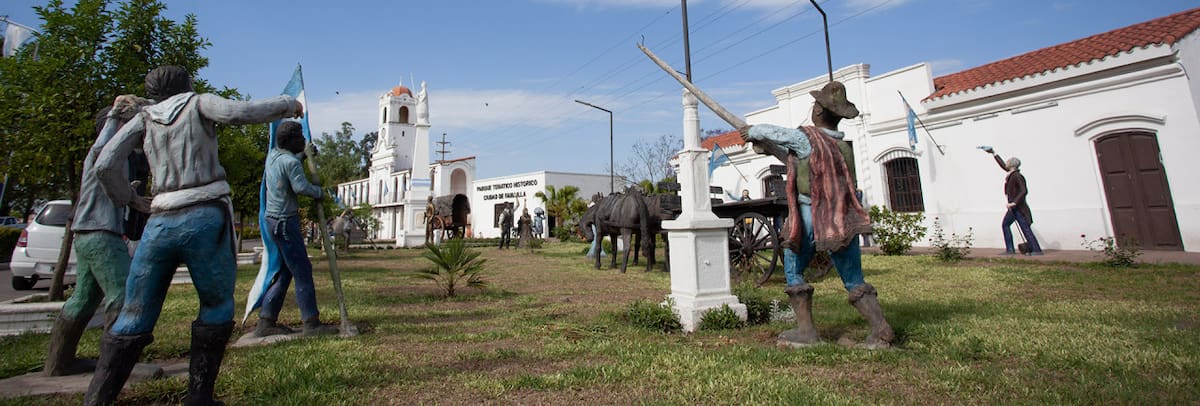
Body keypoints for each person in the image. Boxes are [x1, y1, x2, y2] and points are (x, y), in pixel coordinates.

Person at [86, 65, 304, 405]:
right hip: (205, 216)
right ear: (187, 84)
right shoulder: (199, 103)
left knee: (134, 313)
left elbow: (103, 164)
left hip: (159, 221)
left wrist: (130, 200)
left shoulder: (144, 118)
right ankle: (199, 397)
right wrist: (289, 104)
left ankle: (97, 399)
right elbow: (241, 112)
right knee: (216, 307)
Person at [740, 80, 894, 349]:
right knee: (853, 278)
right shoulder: (843, 147)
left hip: (811, 215)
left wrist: (752, 130)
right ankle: (880, 328)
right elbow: (808, 165)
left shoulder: (806, 138)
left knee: (794, 266)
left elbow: (777, 133)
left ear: (820, 111)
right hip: (842, 220)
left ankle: (806, 331)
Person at [43, 96, 153, 377]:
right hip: (101, 233)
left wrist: (132, 195)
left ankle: (59, 362)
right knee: (125, 294)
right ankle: (114, 368)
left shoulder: (119, 160)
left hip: (90, 233)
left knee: (83, 299)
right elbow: (104, 150)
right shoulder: (103, 151)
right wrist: (117, 115)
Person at [255, 121, 339, 338]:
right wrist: (318, 192)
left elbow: (288, 164)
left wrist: (303, 155)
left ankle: (266, 320)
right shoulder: (291, 163)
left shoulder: (273, 156)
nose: (303, 140)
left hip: (272, 220)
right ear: (291, 140)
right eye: (300, 137)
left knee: (285, 271)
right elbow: (300, 187)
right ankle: (311, 322)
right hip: (285, 222)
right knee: (302, 271)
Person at [986, 148, 1043, 256]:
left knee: (1023, 228)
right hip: (1014, 208)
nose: (1006, 164)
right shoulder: (1012, 174)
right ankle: (1011, 249)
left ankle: (1035, 249)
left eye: (1008, 162)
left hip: (1018, 208)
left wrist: (1014, 203)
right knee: (1007, 225)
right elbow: (1003, 165)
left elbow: (1023, 191)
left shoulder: (1017, 176)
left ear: (1012, 165)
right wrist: (994, 154)